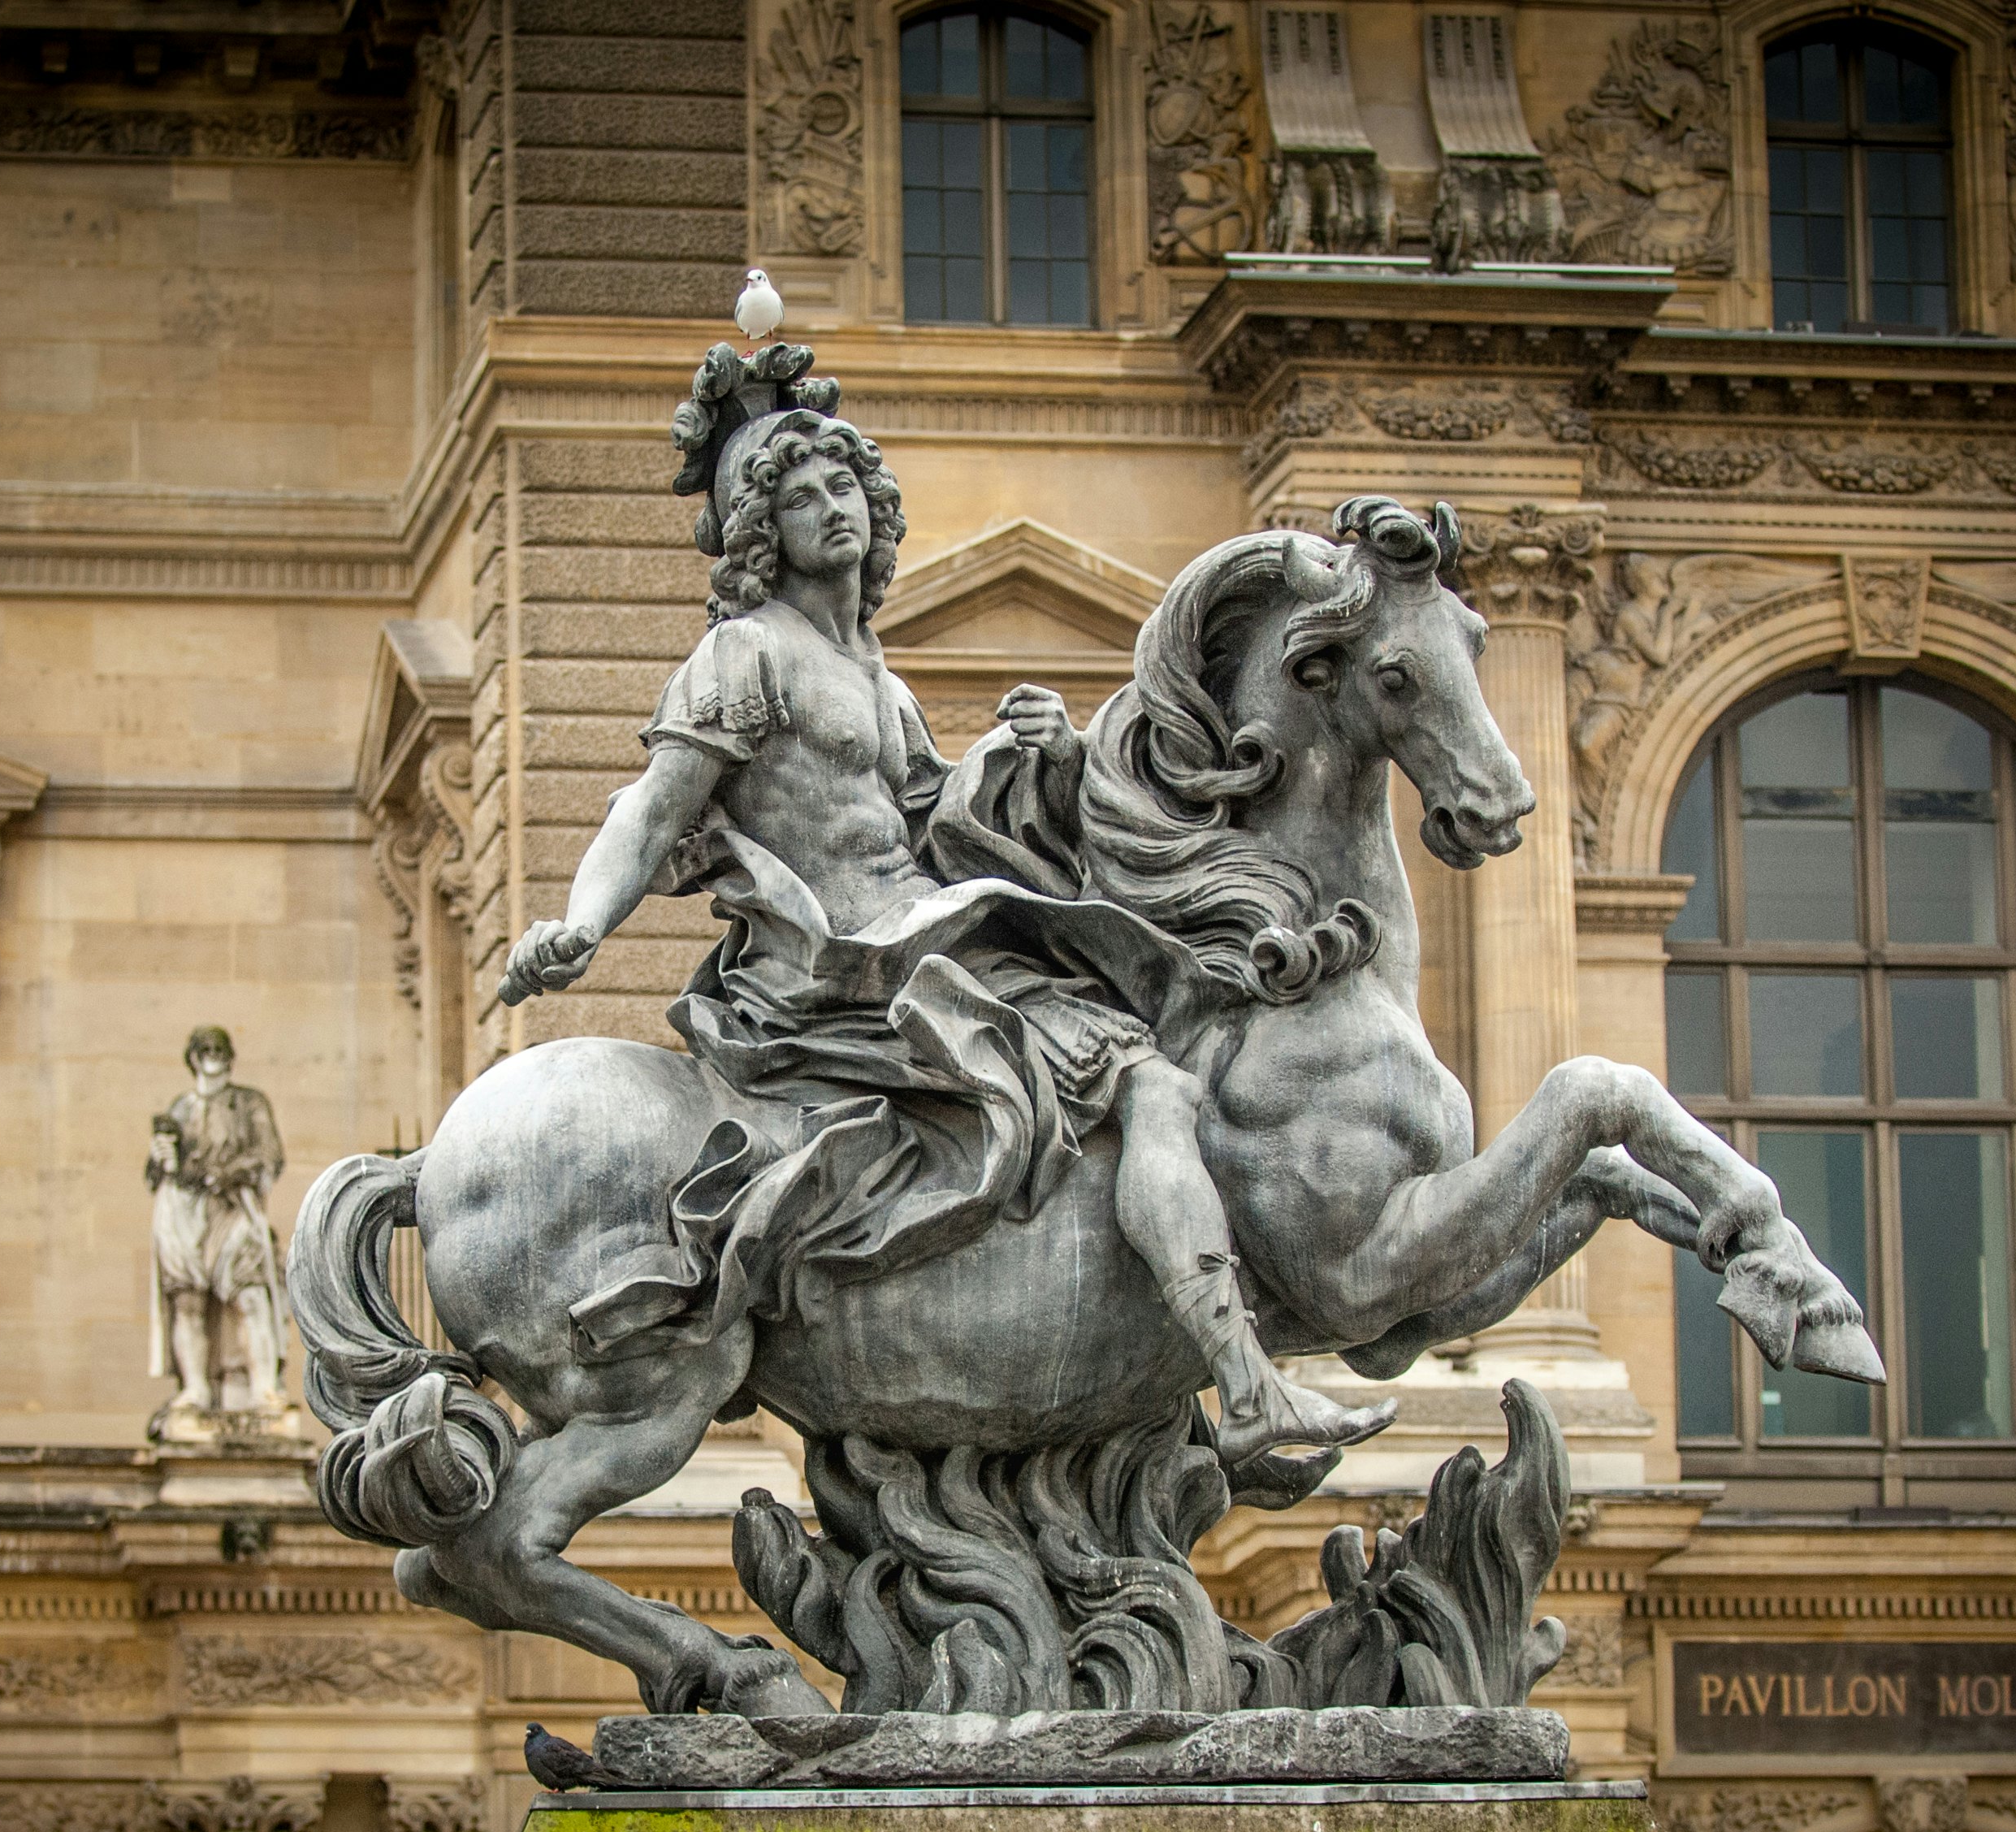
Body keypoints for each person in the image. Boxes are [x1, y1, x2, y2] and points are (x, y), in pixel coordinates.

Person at [500, 344, 1389, 1465]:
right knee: (1154, 1084)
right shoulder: (742, 653)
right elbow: (649, 805)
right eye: (799, 498)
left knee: (1162, 1023)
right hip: (840, 970)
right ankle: (1243, 1383)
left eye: (842, 488)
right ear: (761, 535)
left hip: (930, 936)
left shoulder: (879, 676)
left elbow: (936, 821)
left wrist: (1041, 760)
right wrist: (582, 924)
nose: (833, 510)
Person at [145, 1025, 296, 1434]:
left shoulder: (248, 1103)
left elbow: (269, 1155)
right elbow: (155, 1173)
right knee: (188, 1303)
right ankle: (195, 1388)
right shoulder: (179, 1108)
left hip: (233, 1208)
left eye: (221, 1049)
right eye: (206, 1050)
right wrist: (160, 1159)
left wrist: (223, 1173)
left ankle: (264, 1387)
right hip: (184, 1212)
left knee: (251, 1295)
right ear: (193, 1058)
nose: (215, 1056)